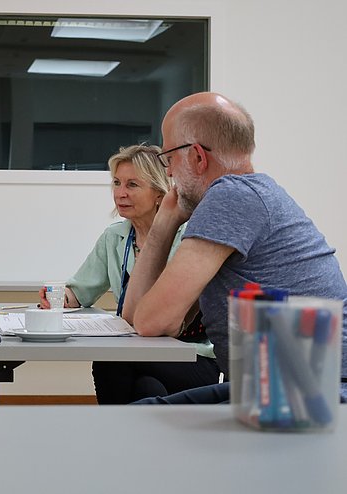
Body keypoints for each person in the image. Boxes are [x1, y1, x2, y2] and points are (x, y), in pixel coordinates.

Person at [122, 92, 347, 404]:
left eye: (168, 158)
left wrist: (162, 227)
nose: (169, 173)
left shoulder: (231, 198)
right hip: (290, 382)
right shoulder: (250, 194)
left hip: (310, 392)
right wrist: (164, 223)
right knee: (140, 414)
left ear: (198, 157)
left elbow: (152, 321)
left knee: (136, 420)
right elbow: (136, 317)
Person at [39, 145, 220, 403]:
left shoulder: (188, 237)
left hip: (190, 355)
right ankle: (138, 440)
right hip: (139, 352)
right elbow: (79, 292)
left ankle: (114, 437)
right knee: (147, 387)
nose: (120, 193)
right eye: (116, 183)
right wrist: (58, 297)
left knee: (111, 362)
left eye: (132, 185)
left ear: (159, 193)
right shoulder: (115, 237)